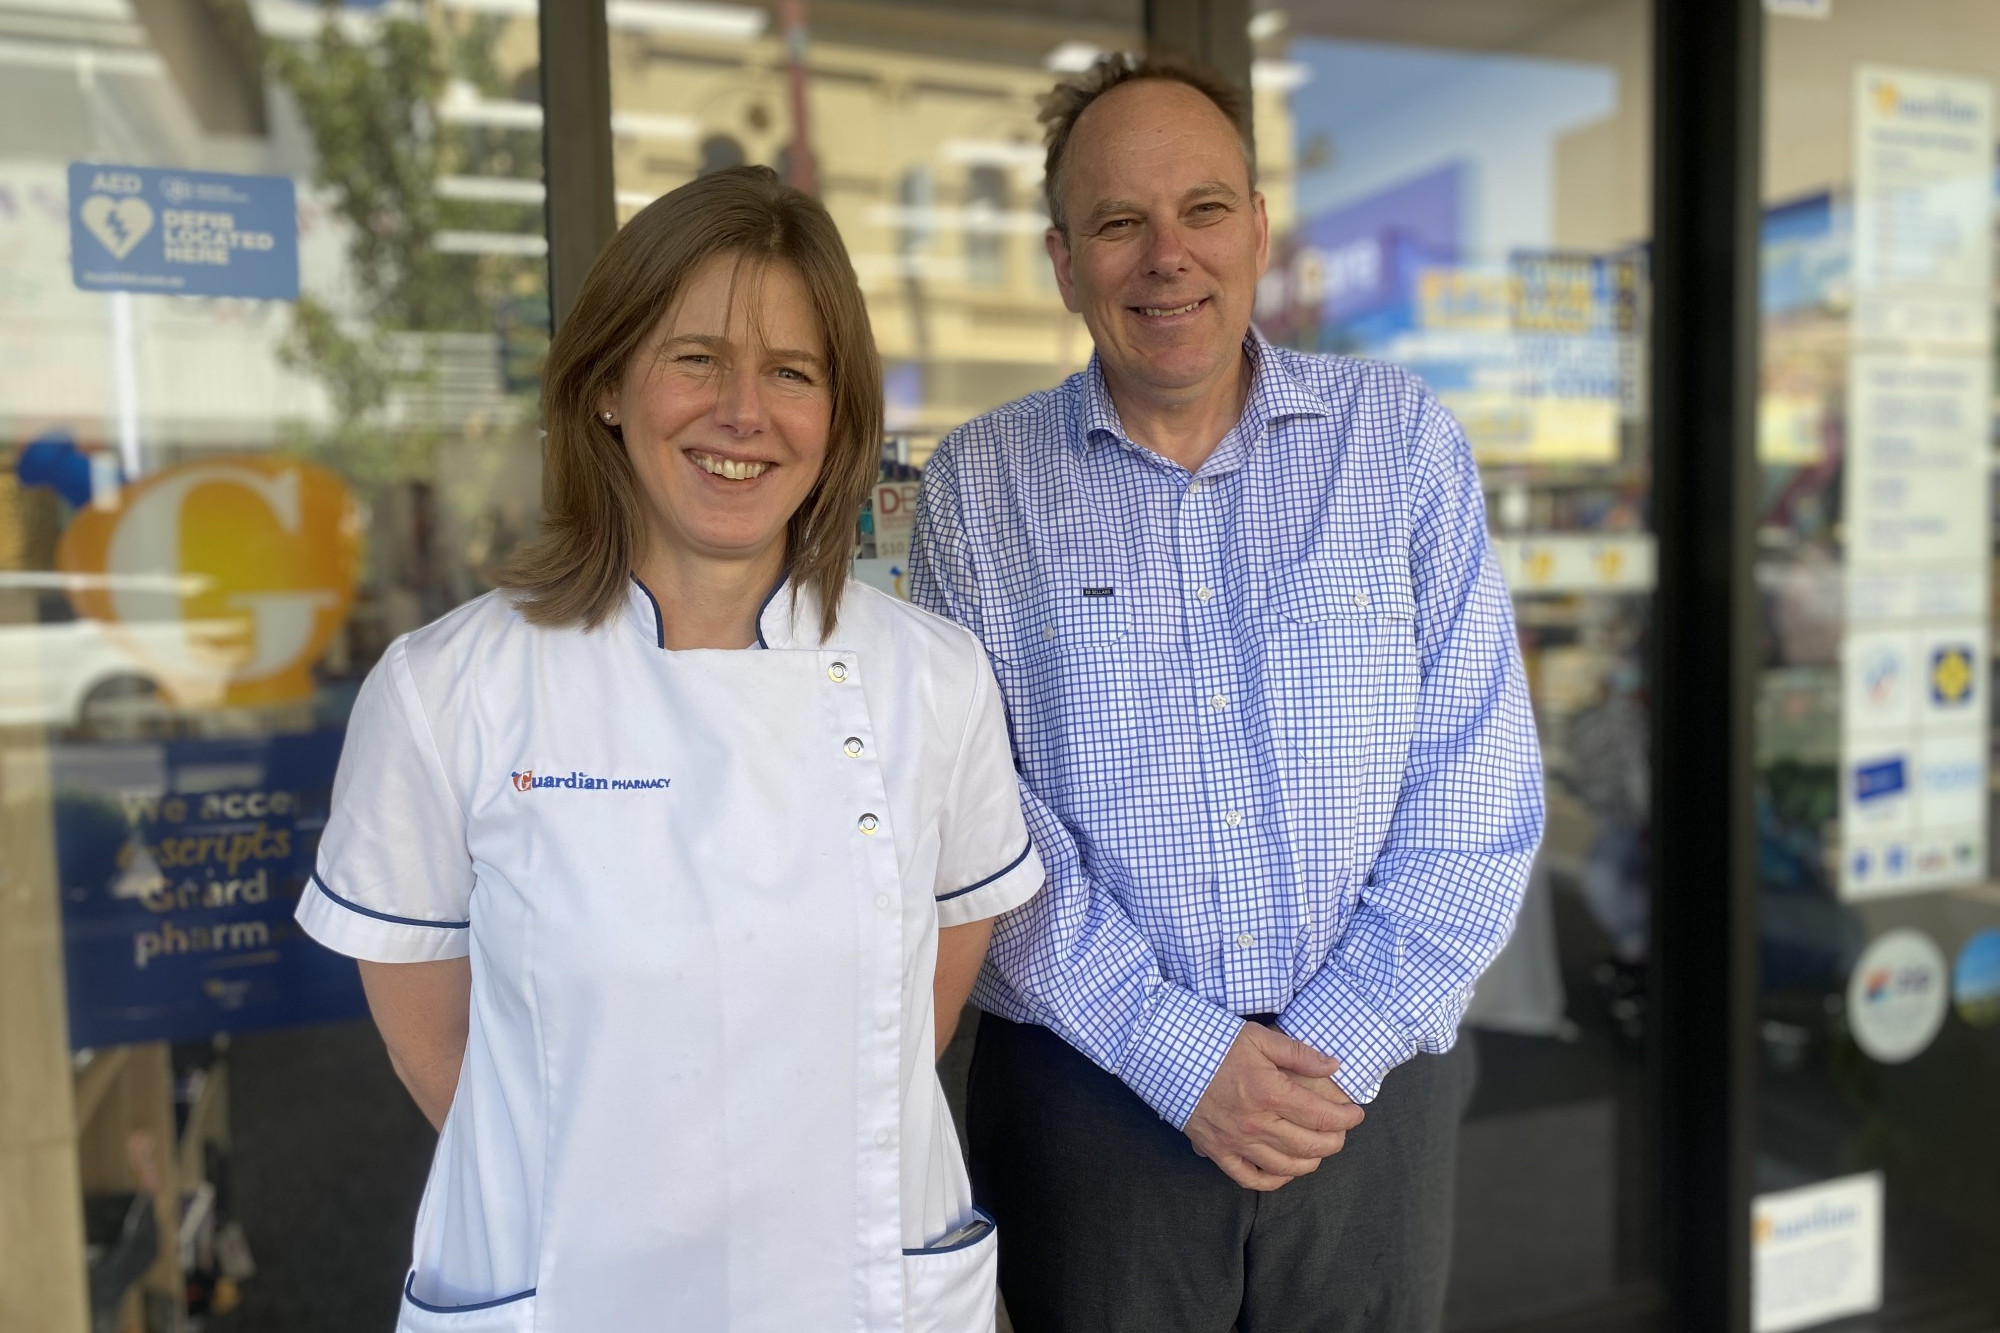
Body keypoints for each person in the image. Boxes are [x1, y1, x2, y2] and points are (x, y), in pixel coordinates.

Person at [295, 166, 1042, 1332]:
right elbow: (440, 1047)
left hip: (856, 1284)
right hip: (572, 1285)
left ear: (837, 415)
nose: (742, 413)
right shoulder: (448, 691)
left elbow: (919, 1010)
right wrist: (625, 1191)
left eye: (792, 372)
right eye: (695, 357)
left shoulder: (932, 682)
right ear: (605, 386)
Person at [910, 55, 1543, 1332]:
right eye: (1115, 222)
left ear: (1256, 230)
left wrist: (1326, 1052)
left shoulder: (1402, 443)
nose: (1166, 257)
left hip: (1368, 1096)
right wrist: (1178, 1054)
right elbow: (977, 826)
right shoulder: (978, 488)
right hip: (1092, 1097)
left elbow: (1477, 786)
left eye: (1201, 210)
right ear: (1060, 259)